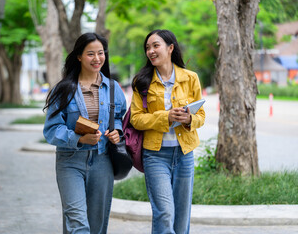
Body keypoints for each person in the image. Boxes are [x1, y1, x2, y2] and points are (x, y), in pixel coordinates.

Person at [43, 32, 126, 234]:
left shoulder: (113, 88)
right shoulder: (63, 90)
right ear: (79, 56)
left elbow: (120, 119)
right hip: (70, 161)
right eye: (90, 54)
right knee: (77, 221)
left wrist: (117, 133)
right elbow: (51, 130)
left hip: (102, 161)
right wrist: (79, 138)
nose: (97, 58)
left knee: (96, 224)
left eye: (100, 53)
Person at [130, 29, 205, 234]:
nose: (151, 51)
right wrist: (166, 117)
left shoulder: (190, 78)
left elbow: (202, 117)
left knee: (181, 216)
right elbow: (136, 119)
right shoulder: (142, 82)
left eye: (156, 46)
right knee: (164, 213)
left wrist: (189, 119)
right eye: (147, 47)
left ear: (170, 48)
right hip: (155, 155)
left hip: (184, 154)